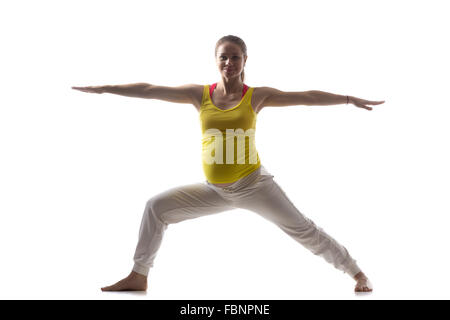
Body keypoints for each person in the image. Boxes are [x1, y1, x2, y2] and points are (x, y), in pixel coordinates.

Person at [72, 35, 384, 293]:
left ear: (245, 61)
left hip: (253, 186)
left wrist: (347, 99)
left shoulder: (255, 96)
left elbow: (306, 97)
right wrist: (104, 88)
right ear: (216, 60)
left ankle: (357, 273)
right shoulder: (200, 95)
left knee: (303, 229)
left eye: (235, 57)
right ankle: (139, 275)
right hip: (215, 190)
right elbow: (149, 90)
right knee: (156, 207)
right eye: (223, 57)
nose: (229, 63)